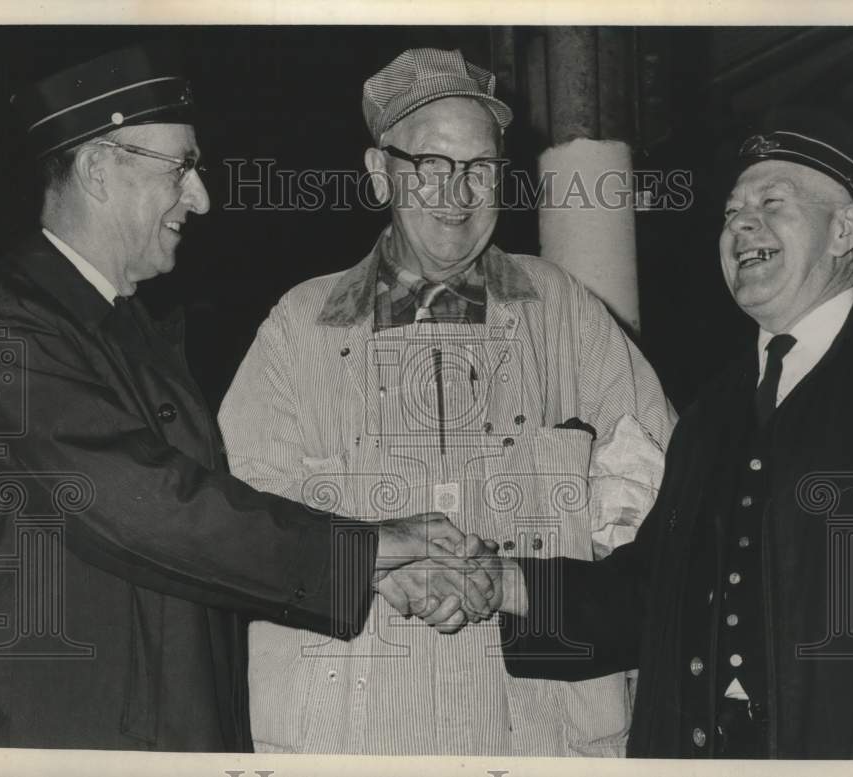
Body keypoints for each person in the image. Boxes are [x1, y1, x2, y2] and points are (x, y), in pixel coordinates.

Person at [0, 42, 489, 752]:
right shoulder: (4, 330)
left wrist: (376, 571)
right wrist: (366, 549)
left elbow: (207, 542)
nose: (202, 197)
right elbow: (154, 510)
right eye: (182, 168)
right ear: (96, 168)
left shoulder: (128, 333)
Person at [218, 47, 675, 756]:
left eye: (480, 168)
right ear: (380, 174)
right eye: (431, 165)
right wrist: (373, 564)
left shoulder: (564, 315)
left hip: (533, 733)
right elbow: (238, 531)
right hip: (353, 735)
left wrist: (522, 586)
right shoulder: (296, 331)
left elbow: (662, 518)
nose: (457, 195)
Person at [492, 120, 853, 758]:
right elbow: (651, 595)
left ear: (844, 230)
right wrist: (504, 582)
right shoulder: (711, 412)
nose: (740, 226)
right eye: (731, 213)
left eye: (771, 204)